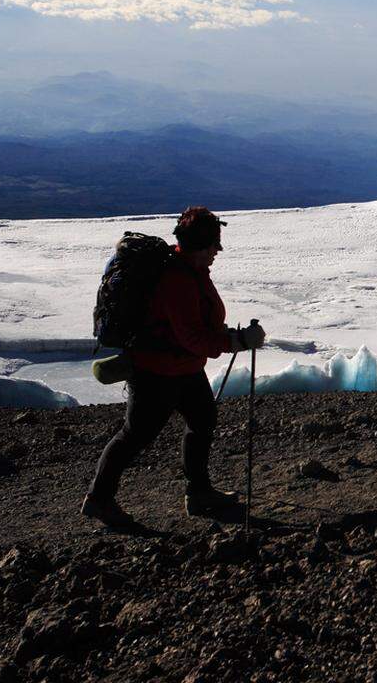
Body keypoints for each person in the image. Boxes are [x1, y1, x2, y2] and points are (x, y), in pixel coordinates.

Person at [82, 206, 266, 527]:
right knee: (135, 435)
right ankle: (99, 499)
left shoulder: (192, 272)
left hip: (182, 369)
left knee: (203, 419)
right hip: (157, 372)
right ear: (200, 245)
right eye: (213, 245)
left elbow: (200, 329)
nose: (217, 252)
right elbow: (193, 337)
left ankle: (199, 493)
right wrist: (236, 341)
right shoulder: (177, 280)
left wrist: (232, 337)